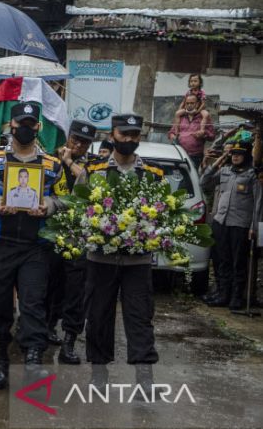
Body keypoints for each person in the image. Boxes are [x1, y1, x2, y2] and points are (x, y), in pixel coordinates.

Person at [0, 101, 67, 390]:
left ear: (38, 127)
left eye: (30, 123)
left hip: (35, 245)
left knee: (34, 302)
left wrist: (47, 205)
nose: (24, 128)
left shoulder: (52, 165)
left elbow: (65, 199)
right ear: (10, 126)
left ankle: (34, 359)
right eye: (19, 123)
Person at [83, 114, 164, 394]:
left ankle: (145, 378)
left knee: (140, 316)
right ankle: (98, 373)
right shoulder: (94, 172)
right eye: (124, 133)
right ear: (112, 134)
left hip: (137, 261)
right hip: (100, 259)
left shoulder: (153, 174)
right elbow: (78, 209)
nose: (129, 139)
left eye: (134, 134)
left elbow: (163, 213)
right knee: (98, 315)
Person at [49, 120, 97, 364]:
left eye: (84, 142)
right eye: (74, 139)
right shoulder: (52, 157)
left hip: (79, 236)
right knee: (49, 285)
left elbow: (92, 185)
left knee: (75, 291)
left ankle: (69, 340)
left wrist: (70, 162)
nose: (78, 145)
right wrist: (61, 161)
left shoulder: (93, 165)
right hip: (51, 232)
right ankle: (47, 327)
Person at [199, 135, 261, 310]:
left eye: (239, 154)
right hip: (221, 222)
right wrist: (218, 161)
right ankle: (223, 294)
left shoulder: (253, 176)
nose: (235, 156)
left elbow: (258, 203)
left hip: (240, 225)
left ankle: (236, 298)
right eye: (233, 153)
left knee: (238, 263)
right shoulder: (225, 171)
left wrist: (254, 227)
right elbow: (204, 183)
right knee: (222, 261)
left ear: (247, 155)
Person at [168, 93, 214, 169]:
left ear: (197, 104)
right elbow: (171, 132)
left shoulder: (203, 116)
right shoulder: (180, 116)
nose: (189, 105)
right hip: (180, 154)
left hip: (195, 156)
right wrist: (173, 136)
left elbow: (212, 135)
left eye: (192, 103)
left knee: (193, 177)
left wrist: (204, 133)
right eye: (187, 103)